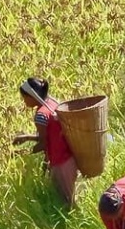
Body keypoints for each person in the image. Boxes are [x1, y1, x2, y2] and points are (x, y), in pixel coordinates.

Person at [9, 77, 79, 207]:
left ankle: (73, 225)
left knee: (67, 202)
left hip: (60, 161)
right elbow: (49, 135)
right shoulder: (52, 102)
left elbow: (44, 144)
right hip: (69, 155)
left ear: (31, 96)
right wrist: (27, 137)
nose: (24, 101)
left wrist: (23, 152)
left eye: (24, 97)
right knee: (72, 197)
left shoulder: (40, 115)